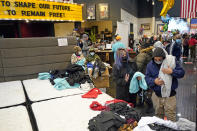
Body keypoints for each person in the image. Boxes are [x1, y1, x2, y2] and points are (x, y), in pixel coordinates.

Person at [145, 47, 185, 121]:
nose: (158, 61)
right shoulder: (150, 65)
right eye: (155, 59)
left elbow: (182, 73)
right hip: (157, 95)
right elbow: (147, 78)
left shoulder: (171, 62)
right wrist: (154, 81)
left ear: (163, 58)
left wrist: (172, 72)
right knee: (158, 116)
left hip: (170, 96)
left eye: (160, 59)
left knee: (171, 116)